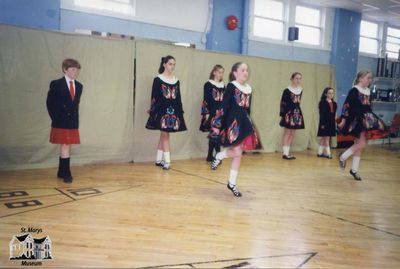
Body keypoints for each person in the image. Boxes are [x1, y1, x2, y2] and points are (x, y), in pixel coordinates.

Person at [210, 62, 262, 197]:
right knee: (237, 151)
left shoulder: (249, 88)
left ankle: (231, 182)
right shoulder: (232, 86)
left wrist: (249, 124)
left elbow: (248, 109)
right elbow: (224, 106)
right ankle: (220, 157)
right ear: (235, 73)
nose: (246, 72)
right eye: (243, 70)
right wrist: (217, 124)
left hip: (245, 122)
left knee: (239, 153)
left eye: (247, 70)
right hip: (233, 123)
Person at [337, 70, 386, 181]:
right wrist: (344, 120)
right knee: (362, 143)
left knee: (359, 145)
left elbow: (368, 107)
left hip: (366, 119)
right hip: (356, 120)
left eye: (370, 78)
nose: (370, 80)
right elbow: (346, 106)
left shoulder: (368, 91)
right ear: (360, 78)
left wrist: (374, 120)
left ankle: (354, 170)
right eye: (368, 78)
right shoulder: (354, 90)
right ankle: (342, 157)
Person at [145, 55, 187, 170]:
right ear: (164, 64)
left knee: (163, 135)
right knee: (165, 135)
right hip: (161, 111)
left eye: (174, 64)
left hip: (174, 111)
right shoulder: (157, 79)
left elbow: (178, 98)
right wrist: (152, 110)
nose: (172, 66)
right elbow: (154, 97)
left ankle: (159, 160)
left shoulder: (176, 80)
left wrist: (180, 111)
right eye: (170, 64)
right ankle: (167, 161)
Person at [46, 58, 83, 183]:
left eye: (77, 69)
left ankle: (61, 171)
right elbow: (49, 104)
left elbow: (75, 105)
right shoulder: (56, 84)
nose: (75, 72)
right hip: (60, 120)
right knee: (65, 145)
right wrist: (56, 118)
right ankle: (66, 173)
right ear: (65, 70)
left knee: (67, 146)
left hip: (72, 121)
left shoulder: (79, 86)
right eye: (72, 69)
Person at [199, 65, 225, 162]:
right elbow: (206, 99)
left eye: (222, 72)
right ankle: (217, 156)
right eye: (219, 72)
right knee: (215, 135)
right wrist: (206, 113)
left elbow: (224, 101)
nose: (220, 74)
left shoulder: (223, 86)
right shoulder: (208, 84)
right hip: (212, 113)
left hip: (220, 114)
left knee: (215, 135)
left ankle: (210, 156)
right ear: (214, 72)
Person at [279, 72, 305, 160]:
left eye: (299, 78)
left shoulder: (301, 90)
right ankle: (285, 153)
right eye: (297, 78)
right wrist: (283, 115)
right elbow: (283, 103)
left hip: (296, 113)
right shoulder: (287, 90)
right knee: (287, 132)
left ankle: (287, 152)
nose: (298, 80)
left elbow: (298, 102)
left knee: (292, 133)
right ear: (292, 79)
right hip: (288, 113)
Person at [317, 87, 337, 159]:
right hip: (324, 123)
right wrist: (322, 124)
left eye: (332, 93)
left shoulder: (334, 104)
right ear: (326, 94)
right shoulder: (322, 103)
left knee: (324, 138)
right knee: (326, 138)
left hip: (331, 123)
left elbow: (334, 114)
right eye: (329, 93)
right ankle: (329, 153)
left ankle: (320, 153)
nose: (331, 94)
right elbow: (322, 114)